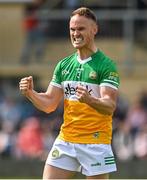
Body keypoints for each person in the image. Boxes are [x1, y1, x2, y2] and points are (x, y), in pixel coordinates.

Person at [19, 7, 120, 179]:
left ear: (94, 29)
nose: (75, 33)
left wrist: (90, 100)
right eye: (72, 29)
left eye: (81, 29)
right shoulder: (63, 65)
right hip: (66, 140)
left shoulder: (106, 65)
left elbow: (109, 106)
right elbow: (49, 103)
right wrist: (31, 93)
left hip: (95, 142)